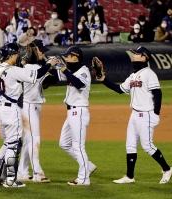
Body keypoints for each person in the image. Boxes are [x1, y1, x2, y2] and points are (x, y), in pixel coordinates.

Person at [95, 46, 172, 184]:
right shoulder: (133, 76)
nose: (134, 56)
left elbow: (157, 93)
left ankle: (167, 169)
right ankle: (129, 176)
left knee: (147, 146)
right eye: (133, 54)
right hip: (135, 115)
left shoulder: (149, 74)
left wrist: (156, 113)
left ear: (145, 57)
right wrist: (104, 80)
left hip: (147, 114)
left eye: (137, 54)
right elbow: (120, 89)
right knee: (130, 145)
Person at [0, 42, 60, 188]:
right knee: (13, 144)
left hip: (0, 109)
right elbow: (37, 75)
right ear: (11, 55)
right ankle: (10, 180)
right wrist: (49, 64)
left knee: (7, 142)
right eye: (15, 54)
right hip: (12, 110)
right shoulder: (14, 70)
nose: (17, 56)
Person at [53, 46, 96, 185]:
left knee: (78, 146)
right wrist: (50, 64)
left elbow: (78, 83)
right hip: (71, 113)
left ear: (75, 57)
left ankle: (84, 179)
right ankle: (88, 166)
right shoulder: (72, 70)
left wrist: (64, 69)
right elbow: (57, 76)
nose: (66, 58)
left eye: (68, 56)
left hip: (79, 112)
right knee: (64, 143)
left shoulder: (83, 71)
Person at [17, 39, 51, 183]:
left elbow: (48, 82)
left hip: (33, 106)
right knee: (34, 138)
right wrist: (50, 64)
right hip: (28, 106)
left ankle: (22, 173)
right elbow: (48, 78)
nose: (43, 53)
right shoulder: (32, 68)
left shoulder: (32, 66)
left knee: (28, 140)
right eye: (40, 50)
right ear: (34, 51)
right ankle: (38, 173)